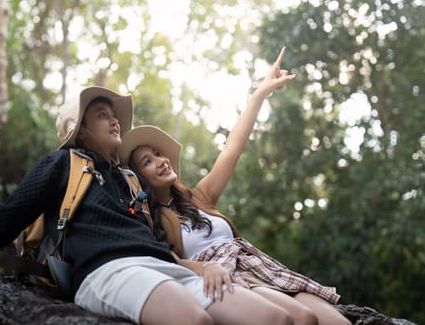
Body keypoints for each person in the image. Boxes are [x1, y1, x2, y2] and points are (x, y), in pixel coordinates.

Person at [0, 86, 296, 325]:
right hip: (108, 270)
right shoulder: (62, 164)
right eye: (102, 115)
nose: (114, 121)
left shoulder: (130, 180)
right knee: (193, 320)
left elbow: (167, 231)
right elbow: (8, 215)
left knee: (273, 318)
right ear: (82, 132)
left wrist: (203, 265)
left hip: (163, 266)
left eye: (114, 115)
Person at [118, 49, 352, 325]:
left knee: (340, 323)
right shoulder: (148, 217)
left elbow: (231, 149)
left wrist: (259, 95)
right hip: (227, 276)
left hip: (259, 266)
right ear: (138, 176)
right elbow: (162, 258)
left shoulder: (199, 197)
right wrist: (203, 268)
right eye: (148, 160)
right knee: (303, 319)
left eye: (159, 153)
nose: (161, 161)